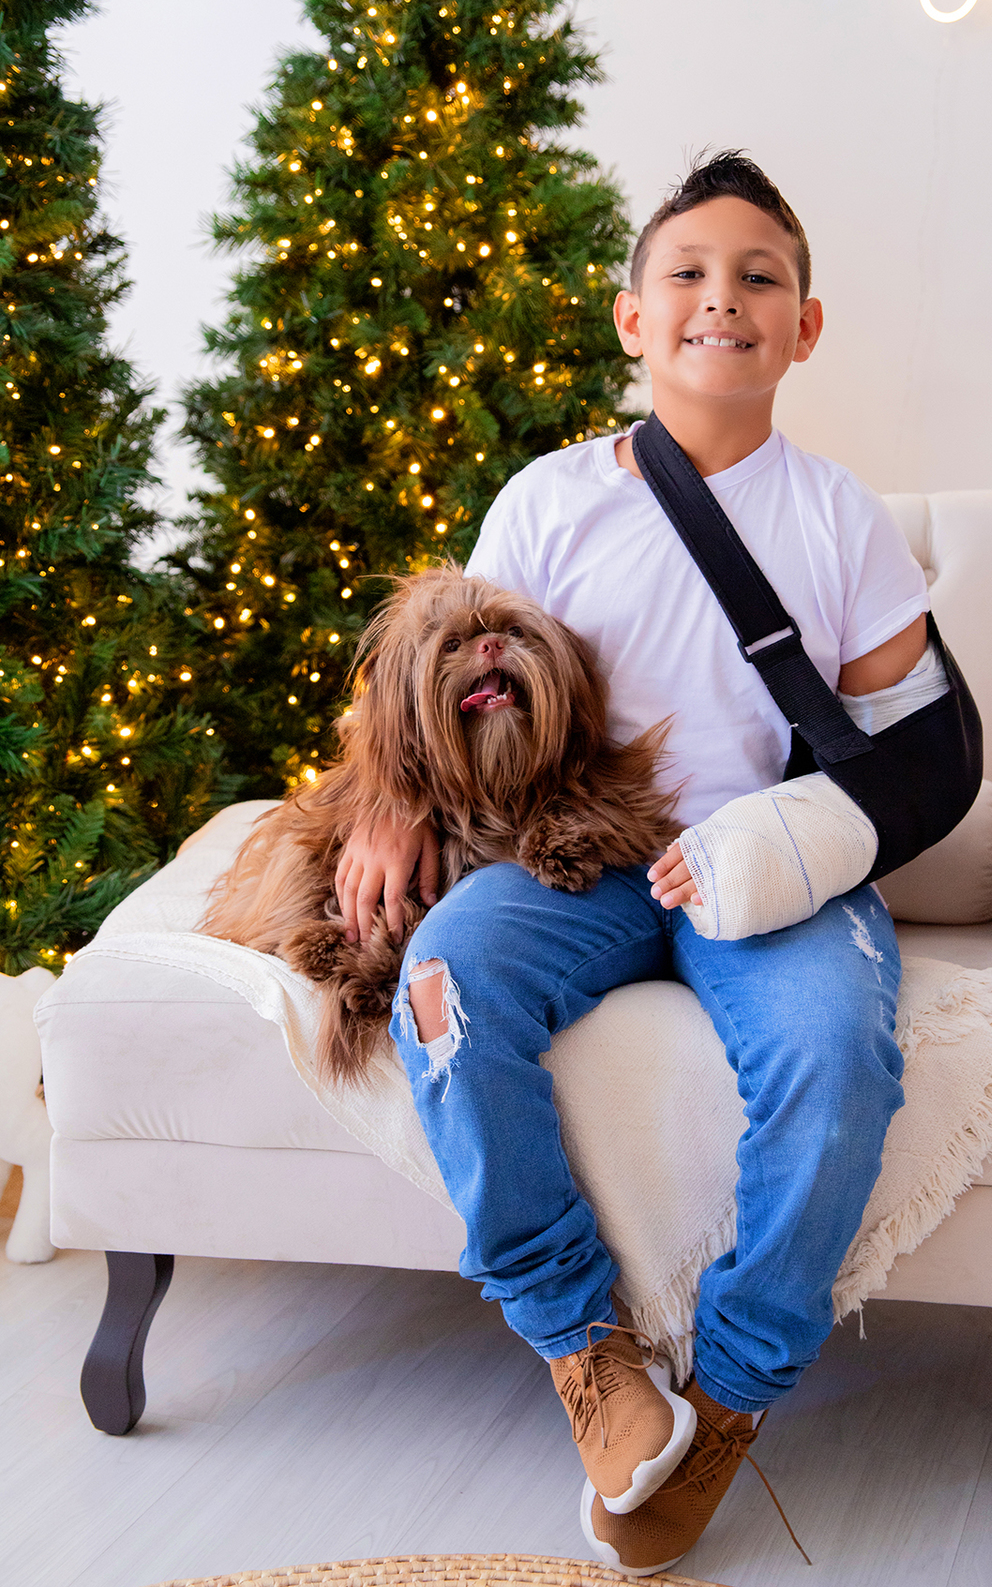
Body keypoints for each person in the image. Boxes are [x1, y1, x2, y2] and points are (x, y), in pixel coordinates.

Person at [335, 152, 931, 1576]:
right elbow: (448, 679)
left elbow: (910, 757)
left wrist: (802, 847)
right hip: (575, 857)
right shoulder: (548, 502)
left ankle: (729, 1392)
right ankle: (586, 1351)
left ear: (805, 327)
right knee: (444, 988)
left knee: (838, 1055)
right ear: (632, 318)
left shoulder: (839, 515)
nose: (723, 297)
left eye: (760, 277)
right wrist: (388, 801)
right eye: (689, 273)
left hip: (767, 874)